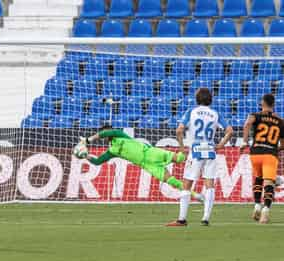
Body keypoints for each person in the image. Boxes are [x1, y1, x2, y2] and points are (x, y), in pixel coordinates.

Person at [79, 126, 204, 201]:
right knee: (171, 181)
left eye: (104, 134)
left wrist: (88, 140)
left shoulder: (119, 134)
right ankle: (196, 195)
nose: (105, 135)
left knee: (181, 159)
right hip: (147, 165)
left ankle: (200, 158)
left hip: (150, 153)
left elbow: (106, 133)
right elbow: (97, 161)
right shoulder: (112, 150)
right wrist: (85, 156)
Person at [167, 88, 233, 227]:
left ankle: (182, 219)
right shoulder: (215, 114)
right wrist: (221, 144)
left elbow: (179, 130)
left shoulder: (192, 111)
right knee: (209, 184)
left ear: (197, 99)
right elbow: (229, 130)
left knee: (187, 184)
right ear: (210, 99)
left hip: (195, 150)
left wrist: (181, 147)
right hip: (210, 149)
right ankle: (205, 218)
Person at [241, 94, 284, 224]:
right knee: (269, 182)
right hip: (270, 154)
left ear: (262, 103)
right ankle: (265, 211)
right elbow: (283, 143)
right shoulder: (280, 121)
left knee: (258, 179)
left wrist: (244, 141)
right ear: (273, 104)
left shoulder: (256, 115)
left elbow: (247, 123)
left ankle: (256, 206)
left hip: (255, 153)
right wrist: (278, 149)